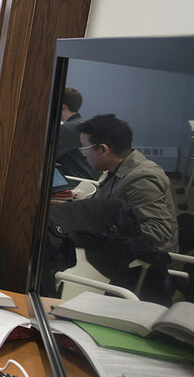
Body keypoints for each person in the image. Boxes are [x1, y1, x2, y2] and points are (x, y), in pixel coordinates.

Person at [78, 113, 178, 253]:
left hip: (142, 263)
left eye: (84, 148)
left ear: (103, 149)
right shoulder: (118, 167)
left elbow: (159, 230)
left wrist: (102, 230)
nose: (83, 154)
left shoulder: (141, 179)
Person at [54, 87, 99, 181]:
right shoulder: (86, 125)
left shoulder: (67, 129)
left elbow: (45, 157)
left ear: (63, 106)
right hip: (91, 182)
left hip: (75, 183)